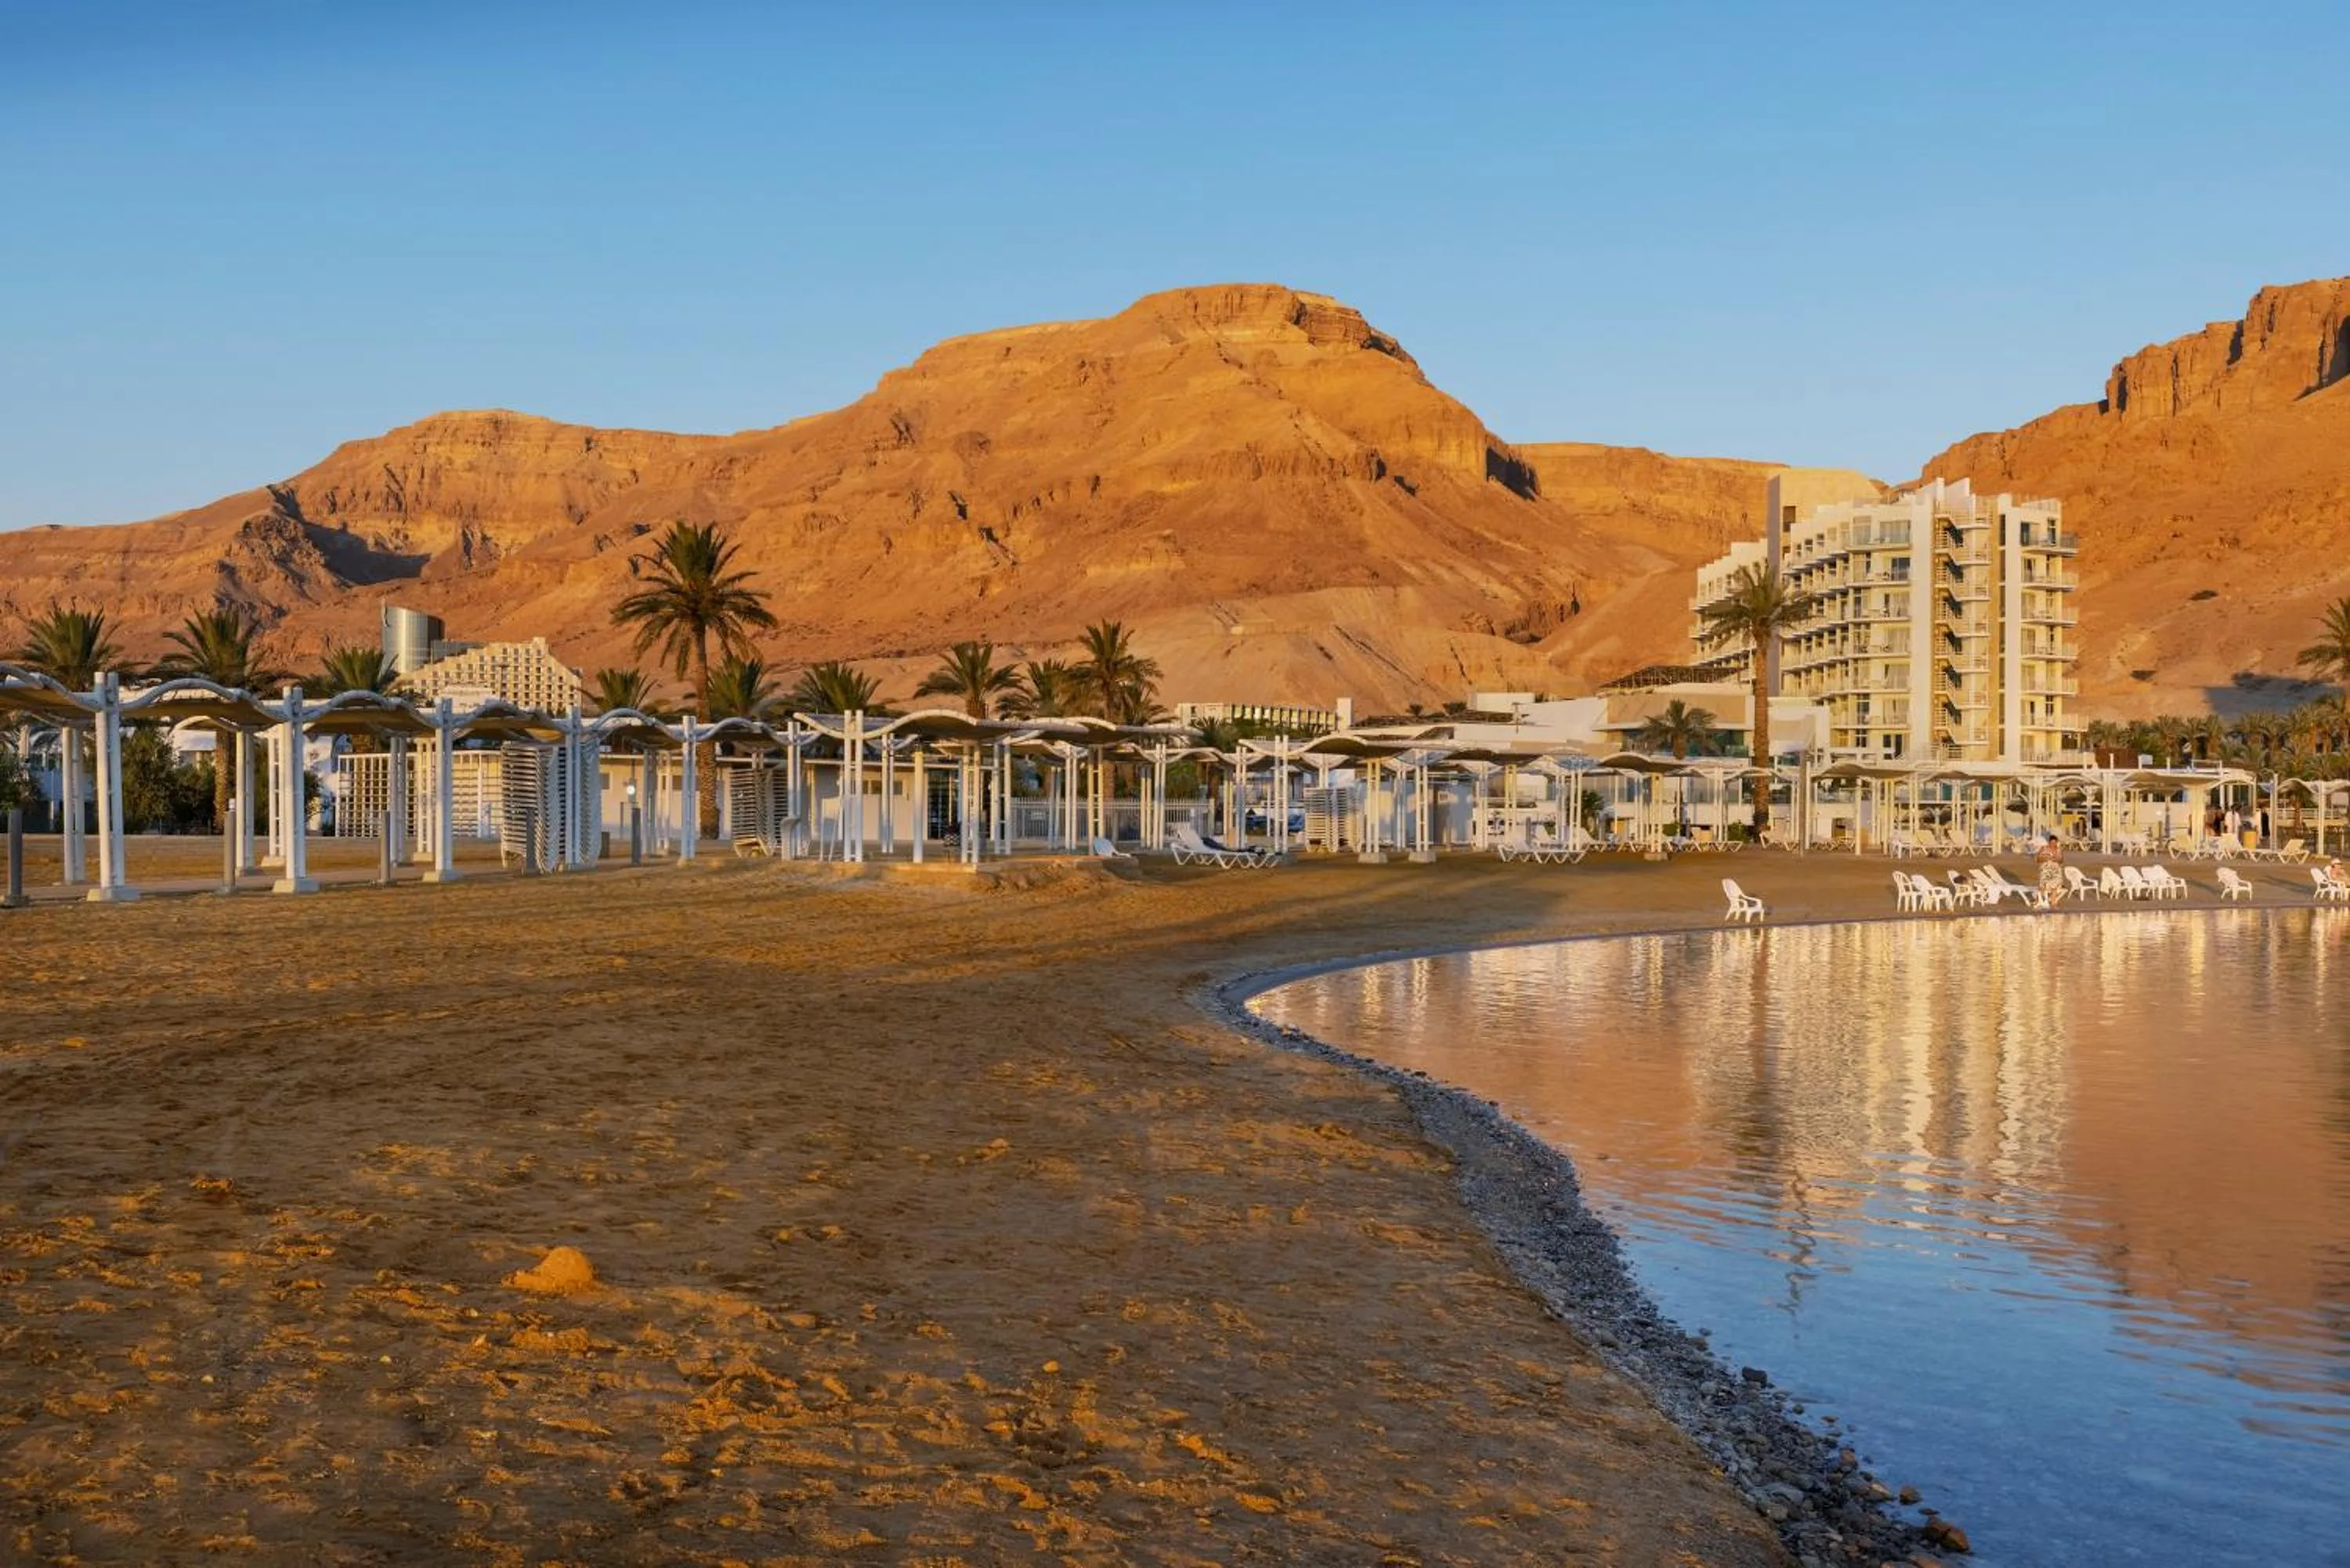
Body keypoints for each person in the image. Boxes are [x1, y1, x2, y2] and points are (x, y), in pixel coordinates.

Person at [2037, 833, 2066, 908]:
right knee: (2044, 884)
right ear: (2049, 842)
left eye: (2054, 842)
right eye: (2051, 842)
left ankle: (2053, 902)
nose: (2053, 844)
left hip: (2056, 870)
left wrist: (2056, 859)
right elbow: (2038, 860)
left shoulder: (2059, 850)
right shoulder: (2044, 848)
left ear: (2057, 842)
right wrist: (2046, 858)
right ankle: (2039, 900)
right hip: (2046, 870)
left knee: (2055, 885)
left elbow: (2061, 860)